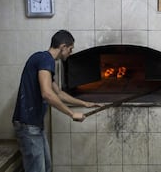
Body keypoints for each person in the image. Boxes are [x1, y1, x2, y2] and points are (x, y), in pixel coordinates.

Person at [12, 30, 99, 172]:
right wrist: (71, 114)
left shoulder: (42, 60)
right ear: (63, 47)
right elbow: (47, 94)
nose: (70, 53)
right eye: (70, 49)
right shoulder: (46, 59)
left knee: (46, 167)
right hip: (28, 125)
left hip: (34, 124)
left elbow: (58, 93)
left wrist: (84, 104)